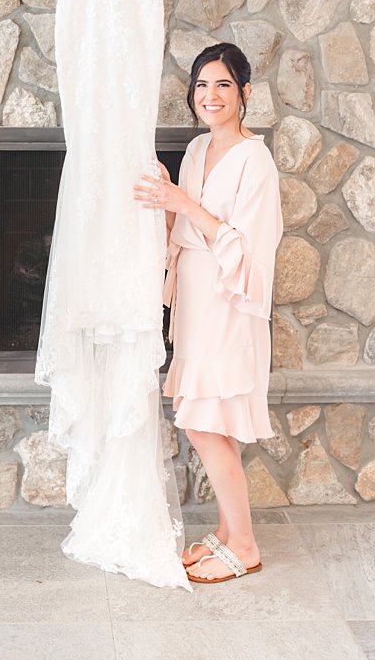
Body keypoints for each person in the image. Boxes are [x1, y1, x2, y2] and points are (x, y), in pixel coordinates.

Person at [132, 42, 284, 584]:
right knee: (208, 419)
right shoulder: (196, 151)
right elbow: (182, 226)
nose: (210, 96)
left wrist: (182, 205)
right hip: (196, 297)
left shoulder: (254, 160)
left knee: (201, 420)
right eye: (201, 85)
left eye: (223, 85)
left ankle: (244, 544)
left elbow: (248, 247)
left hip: (228, 299)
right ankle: (225, 533)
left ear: (244, 93)